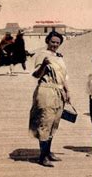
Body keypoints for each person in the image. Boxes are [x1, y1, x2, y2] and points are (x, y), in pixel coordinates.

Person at [29, 31, 69, 167]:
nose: (55, 45)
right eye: (53, 42)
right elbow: (36, 75)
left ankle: (48, 152)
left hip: (59, 92)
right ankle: (42, 157)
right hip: (46, 91)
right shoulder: (42, 55)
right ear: (47, 41)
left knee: (54, 123)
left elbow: (63, 77)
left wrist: (67, 91)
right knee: (45, 122)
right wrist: (44, 66)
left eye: (58, 43)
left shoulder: (59, 57)